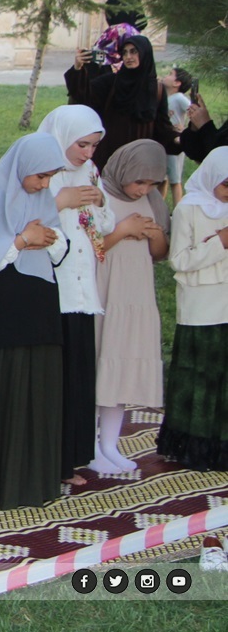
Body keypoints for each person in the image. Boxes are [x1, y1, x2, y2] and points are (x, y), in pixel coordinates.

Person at [0, 133, 70, 510]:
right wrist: (23, 240)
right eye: (40, 176)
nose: (44, 185)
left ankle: (35, 481)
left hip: (41, 305)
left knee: (40, 387)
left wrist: (47, 238)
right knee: (6, 388)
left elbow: (60, 249)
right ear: (23, 167)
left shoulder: (43, 199)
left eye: (49, 178)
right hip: (6, 310)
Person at [37, 105, 114, 485]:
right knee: (57, 379)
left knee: (79, 375)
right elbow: (21, 217)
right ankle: (52, 459)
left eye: (94, 146)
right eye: (81, 144)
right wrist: (60, 201)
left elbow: (105, 225)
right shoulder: (44, 171)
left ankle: (74, 456)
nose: (87, 153)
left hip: (83, 290)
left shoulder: (91, 171)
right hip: (54, 289)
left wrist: (98, 202)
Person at [93, 140, 170, 473]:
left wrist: (154, 234)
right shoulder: (99, 196)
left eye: (152, 183)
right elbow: (91, 246)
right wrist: (124, 229)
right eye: (139, 181)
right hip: (105, 290)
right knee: (101, 360)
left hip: (136, 294)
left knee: (122, 365)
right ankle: (89, 445)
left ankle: (110, 444)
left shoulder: (152, 201)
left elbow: (160, 252)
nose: (143, 189)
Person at [157, 148, 228, 469]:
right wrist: (220, 242)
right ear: (212, 177)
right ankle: (194, 446)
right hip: (200, 305)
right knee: (199, 375)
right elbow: (180, 260)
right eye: (226, 185)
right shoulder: (188, 208)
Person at [67, 33, 179, 170]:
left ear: (145, 54)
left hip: (139, 161)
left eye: (133, 51)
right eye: (125, 53)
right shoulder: (111, 82)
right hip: (109, 157)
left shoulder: (156, 89)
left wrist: (177, 139)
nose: (128, 57)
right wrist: (78, 68)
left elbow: (161, 126)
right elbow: (83, 94)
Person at [164, 67, 195, 204]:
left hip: (175, 142)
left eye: (170, 74)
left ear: (177, 83)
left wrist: (185, 128)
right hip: (165, 140)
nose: (166, 76)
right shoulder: (164, 97)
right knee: (162, 179)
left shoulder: (179, 98)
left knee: (175, 180)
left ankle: (178, 208)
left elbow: (193, 110)